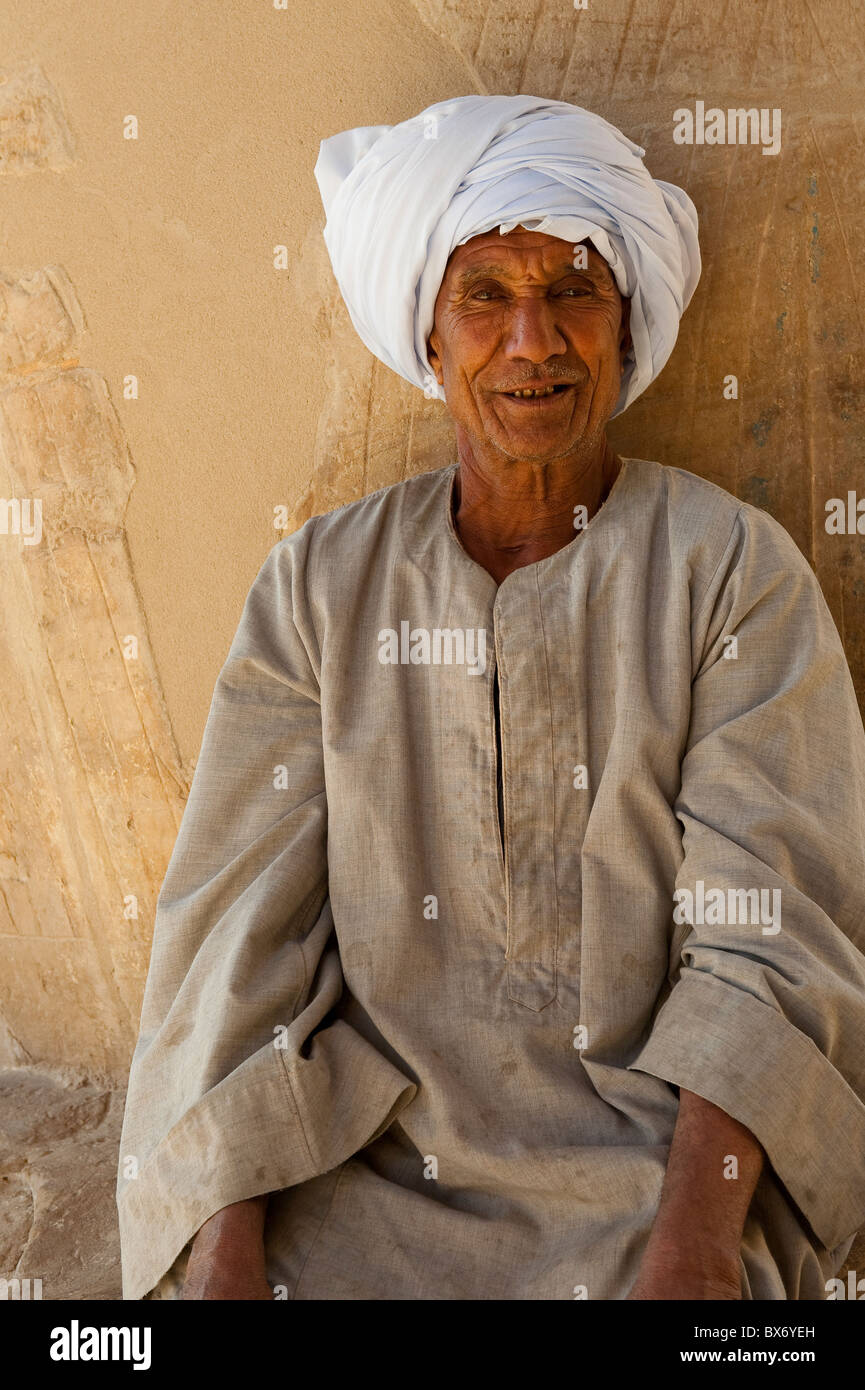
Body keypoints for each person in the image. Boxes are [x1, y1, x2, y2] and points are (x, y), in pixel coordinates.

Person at [117, 95, 865, 1301]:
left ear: (624, 324)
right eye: (486, 297)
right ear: (428, 334)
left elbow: (769, 936)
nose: (533, 341)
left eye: (573, 290)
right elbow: (233, 947)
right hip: (362, 1173)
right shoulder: (317, 587)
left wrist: (697, 1253)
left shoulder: (728, 568)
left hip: (656, 1175)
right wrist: (223, 1251)